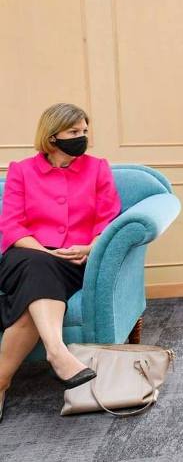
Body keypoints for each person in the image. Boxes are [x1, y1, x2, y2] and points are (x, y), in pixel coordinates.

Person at [0, 103, 121, 421]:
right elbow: (11, 225)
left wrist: (91, 247)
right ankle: (57, 352)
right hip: (25, 254)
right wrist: (44, 251)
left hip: (74, 258)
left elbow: (108, 217)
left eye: (84, 131)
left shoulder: (97, 168)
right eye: (73, 131)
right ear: (52, 136)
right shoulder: (21, 170)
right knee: (37, 265)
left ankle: (1, 382)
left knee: (31, 299)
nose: (82, 136)